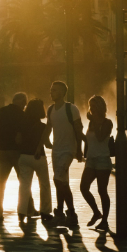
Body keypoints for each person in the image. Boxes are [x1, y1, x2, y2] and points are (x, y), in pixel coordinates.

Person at [45, 81, 83, 228]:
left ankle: (70, 213)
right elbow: (48, 127)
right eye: (51, 90)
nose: (51, 92)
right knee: (61, 182)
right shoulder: (50, 110)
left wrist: (79, 149)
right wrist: (45, 142)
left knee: (58, 179)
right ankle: (63, 214)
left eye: (54, 90)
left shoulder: (71, 109)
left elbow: (78, 129)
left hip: (68, 150)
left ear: (62, 92)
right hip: (56, 151)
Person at [80, 95, 113, 232]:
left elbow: (100, 138)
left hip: (103, 160)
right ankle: (96, 212)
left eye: (94, 106)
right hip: (91, 159)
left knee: (102, 190)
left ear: (100, 107)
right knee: (84, 187)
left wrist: (95, 121)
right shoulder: (91, 123)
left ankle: (104, 220)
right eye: (90, 106)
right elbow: (89, 140)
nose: (91, 109)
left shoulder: (107, 122)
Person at [16, 99, 51, 224]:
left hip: (24, 156)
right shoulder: (43, 126)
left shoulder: (21, 124)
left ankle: (21, 211)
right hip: (38, 157)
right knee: (44, 184)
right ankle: (45, 211)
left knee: (24, 185)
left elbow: (18, 141)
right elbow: (46, 144)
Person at [0, 93, 27, 218]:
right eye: (24, 103)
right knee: (23, 181)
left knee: (1, 182)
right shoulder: (22, 115)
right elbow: (22, 134)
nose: (25, 106)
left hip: (2, 151)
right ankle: (26, 208)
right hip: (17, 152)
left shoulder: (1, 111)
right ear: (21, 101)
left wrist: (0, 144)